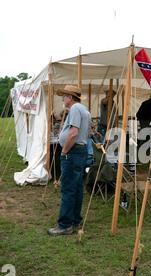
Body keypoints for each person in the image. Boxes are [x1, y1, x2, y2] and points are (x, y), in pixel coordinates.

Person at [48, 85, 91, 236]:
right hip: (80, 151)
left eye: (64, 96)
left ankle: (65, 225)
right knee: (77, 188)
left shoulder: (75, 109)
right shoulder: (83, 109)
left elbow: (73, 133)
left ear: (70, 97)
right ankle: (75, 220)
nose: (62, 98)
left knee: (68, 189)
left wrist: (64, 151)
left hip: (73, 152)